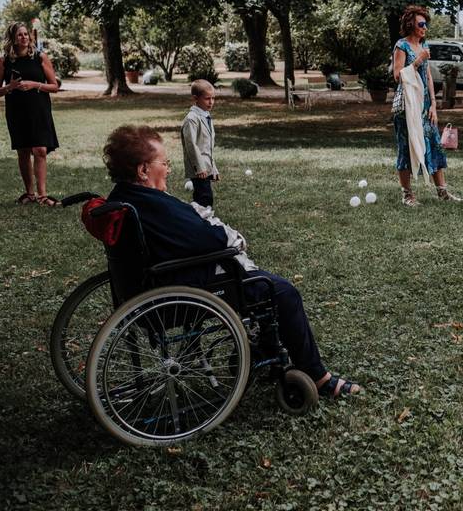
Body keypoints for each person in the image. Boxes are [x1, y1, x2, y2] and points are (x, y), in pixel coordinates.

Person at [102, 124, 361, 397]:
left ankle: (265, 350)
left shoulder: (123, 199)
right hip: (179, 292)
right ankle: (318, 377)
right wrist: (229, 238)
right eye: (164, 163)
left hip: (148, 289)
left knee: (264, 286)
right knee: (282, 292)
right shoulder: (152, 206)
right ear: (143, 170)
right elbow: (208, 239)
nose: (168, 168)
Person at [390, 4, 461, 206]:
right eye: (422, 24)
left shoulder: (424, 44)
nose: (425, 28)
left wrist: (433, 106)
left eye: (426, 24)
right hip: (407, 106)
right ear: (411, 24)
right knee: (407, 146)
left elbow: (429, 77)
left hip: (425, 105)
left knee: (434, 144)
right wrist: (418, 61)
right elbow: (397, 76)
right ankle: (407, 194)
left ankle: (442, 191)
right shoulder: (401, 46)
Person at [0, 21, 61, 206]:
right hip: (17, 111)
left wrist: (34, 84)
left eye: (26, 34)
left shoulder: (40, 57)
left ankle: (43, 194)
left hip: (39, 109)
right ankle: (30, 193)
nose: (24, 38)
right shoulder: (3, 61)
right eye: (19, 35)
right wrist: (10, 87)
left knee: (40, 150)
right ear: (12, 38)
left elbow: (54, 86)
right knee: (23, 151)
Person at [181, 79, 219, 207]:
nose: (211, 102)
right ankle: (200, 220)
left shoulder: (206, 116)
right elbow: (191, 145)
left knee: (203, 197)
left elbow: (207, 147)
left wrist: (213, 168)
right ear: (195, 99)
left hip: (206, 166)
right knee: (205, 198)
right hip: (198, 168)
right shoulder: (192, 119)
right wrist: (199, 167)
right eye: (207, 98)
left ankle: (198, 220)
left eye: (213, 98)